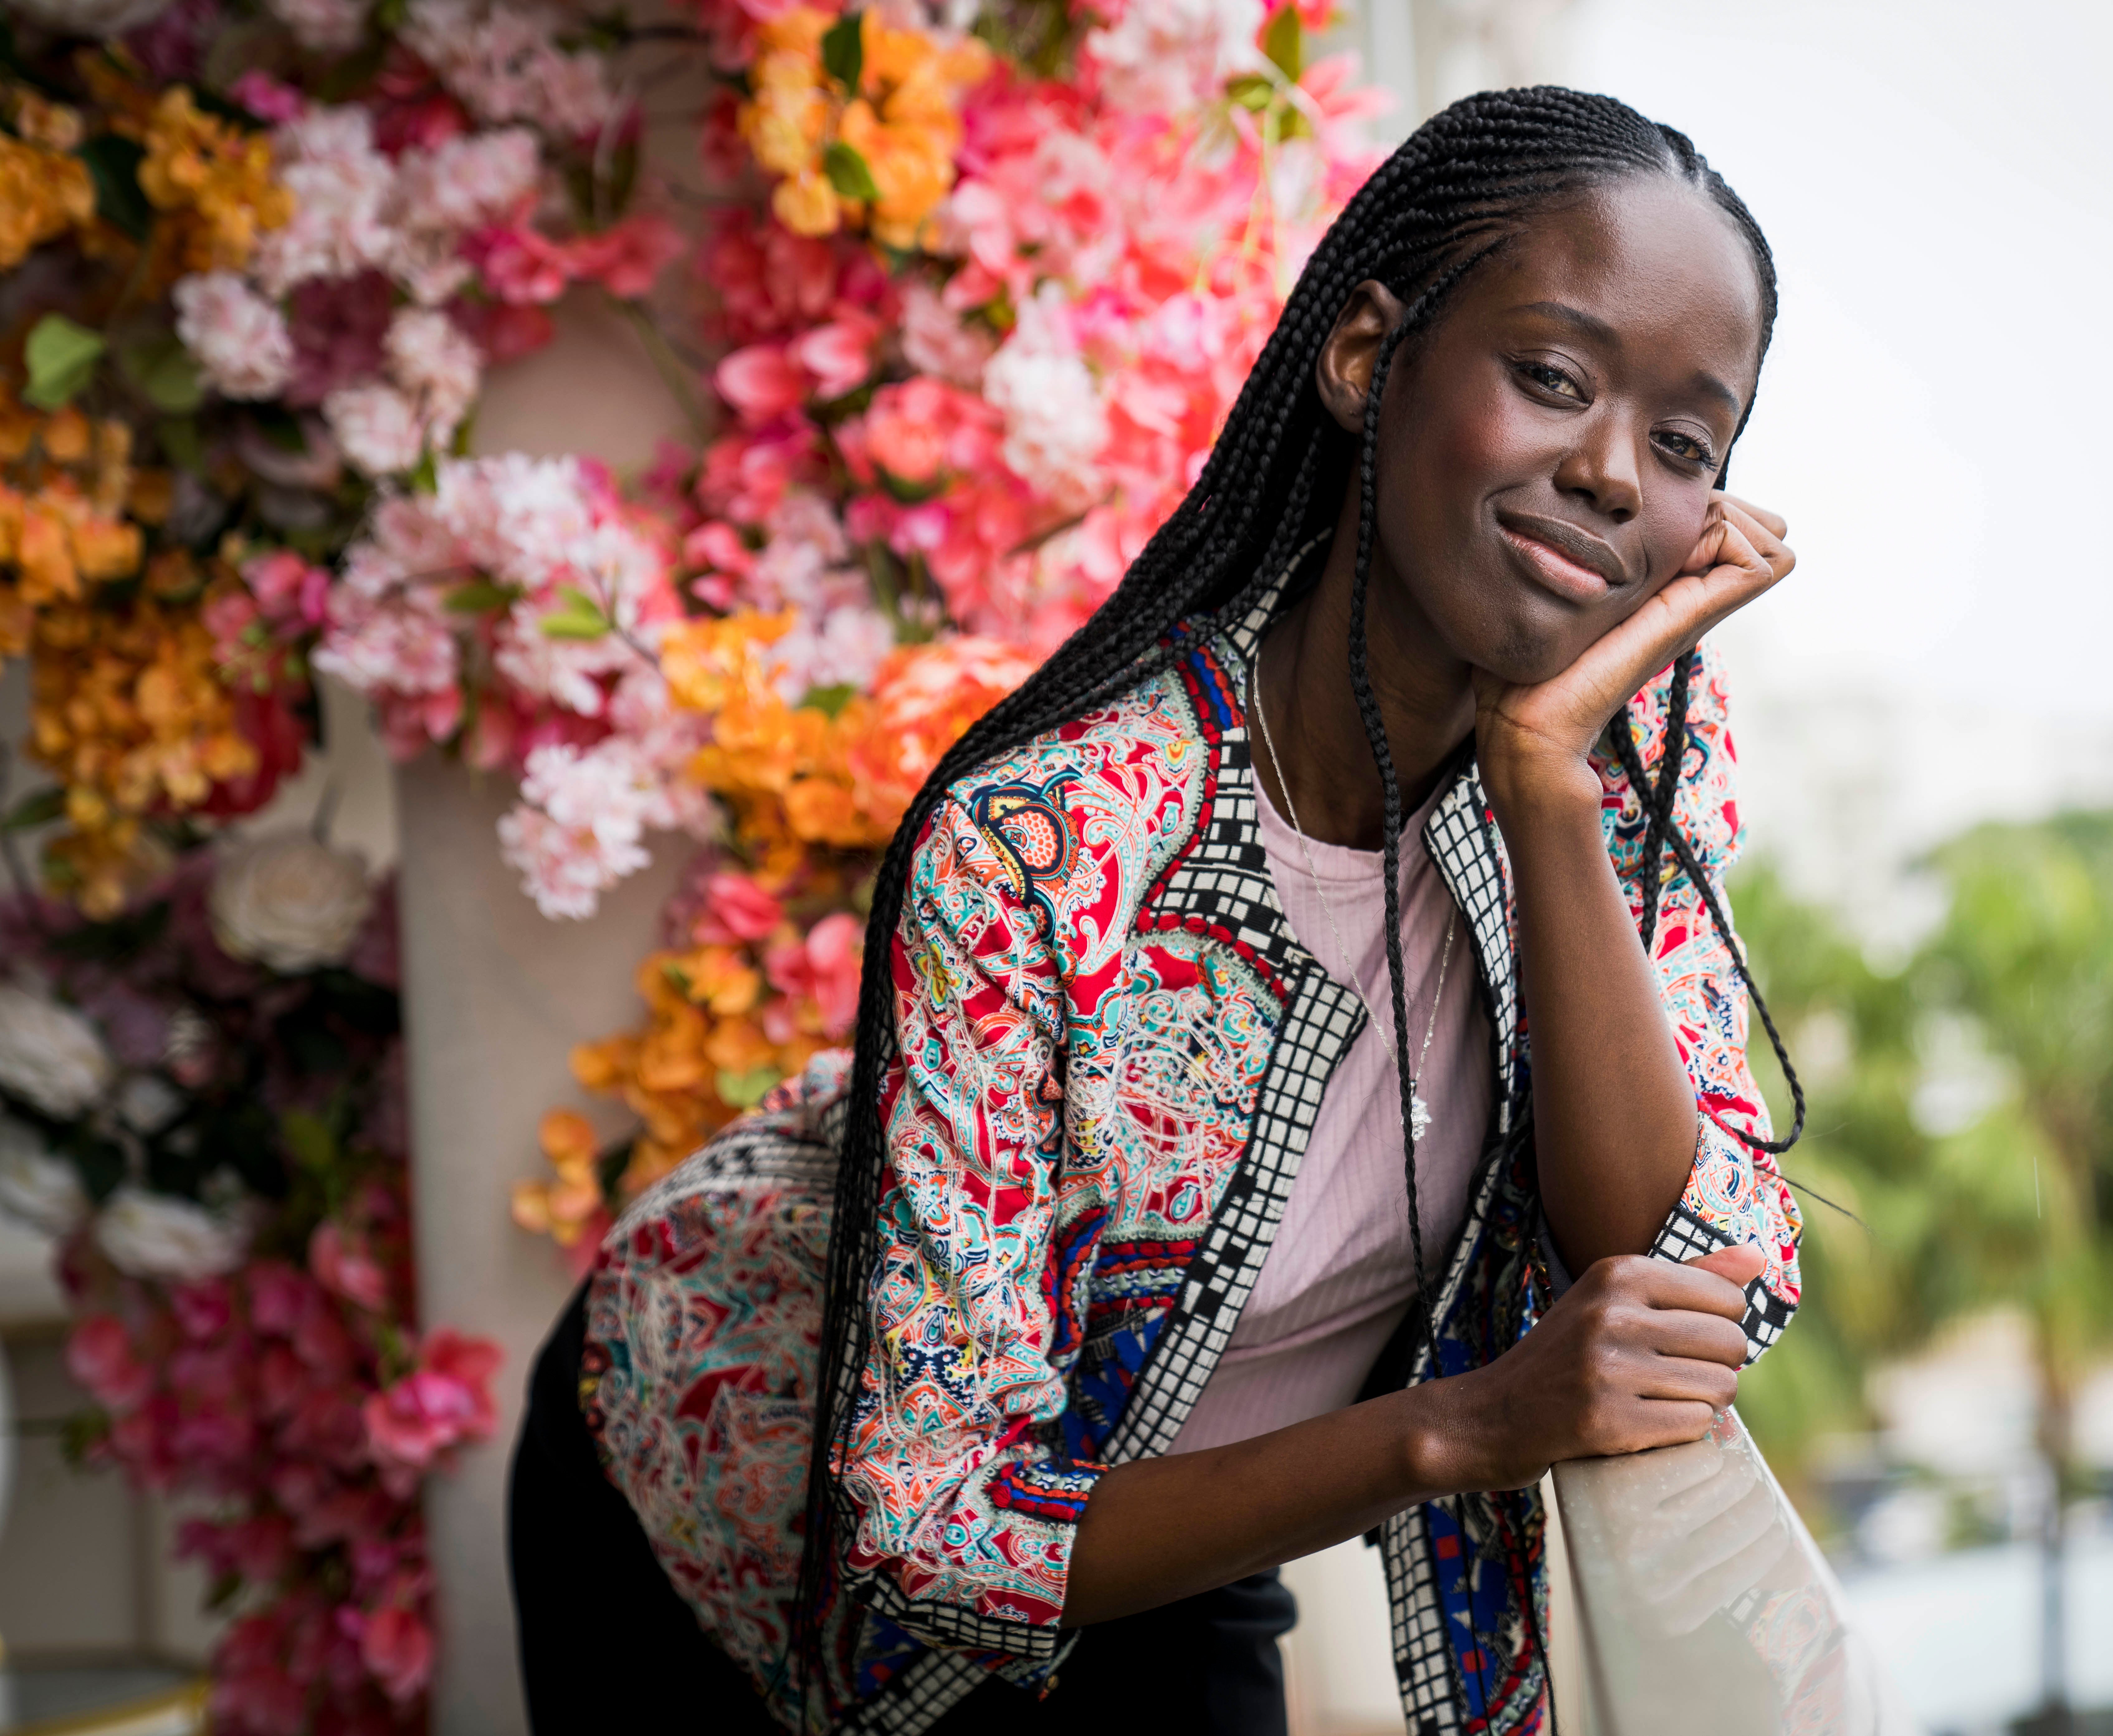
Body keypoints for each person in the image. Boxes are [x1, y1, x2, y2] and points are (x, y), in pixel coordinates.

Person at [510, 83, 1809, 1736]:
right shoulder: (1042, 844)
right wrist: (1459, 1430)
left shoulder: (1627, 772)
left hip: (1191, 1521)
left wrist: (1544, 779)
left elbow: (1684, 1266)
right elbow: (930, 1525)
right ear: (1367, 357)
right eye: (1552, 377)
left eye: (1686, 443)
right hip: (721, 1501)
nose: (1615, 471)